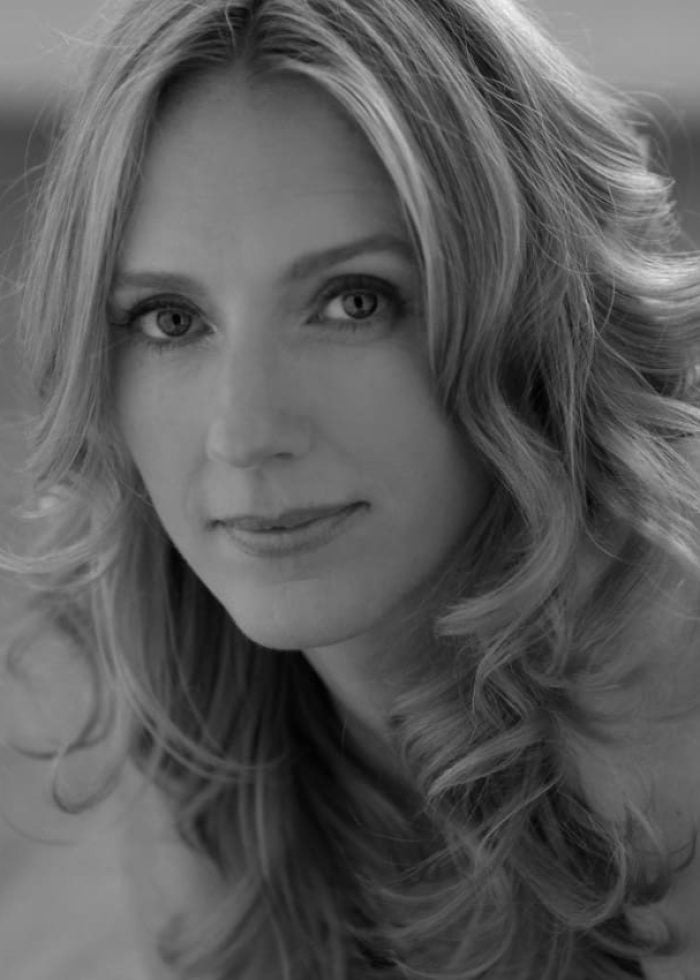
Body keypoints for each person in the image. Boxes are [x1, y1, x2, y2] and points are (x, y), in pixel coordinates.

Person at [1, 0, 700, 976]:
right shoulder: (210, 709)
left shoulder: (672, 731)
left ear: (530, 311)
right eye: (168, 319)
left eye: (351, 301)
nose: (243, 436)